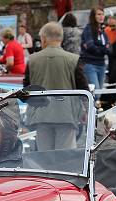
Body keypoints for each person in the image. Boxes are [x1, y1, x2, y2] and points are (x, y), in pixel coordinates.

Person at [24, 22, 88, 150]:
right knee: (65, 155)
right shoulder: (73, 59)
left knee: (44, 155)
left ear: (44, 38)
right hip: (66, 114)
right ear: (61, 38)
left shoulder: (32, 60)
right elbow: (83, 88)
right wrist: (85, 109)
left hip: (41, 114)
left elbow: (27, 87)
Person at [80, 7, 110, 90]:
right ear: (93, 16)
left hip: (101, 64)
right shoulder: (88, 29)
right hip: (90, 64)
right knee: (95, 92)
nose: (101, 16)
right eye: (99, 14)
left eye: (102, 14)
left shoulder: (103, 31)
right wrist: (103, 49)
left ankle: (94, 104)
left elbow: (109, 48)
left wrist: (100, 48)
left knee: (99, 93)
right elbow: (90, 47)